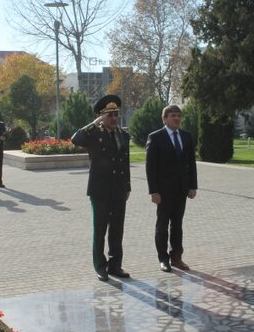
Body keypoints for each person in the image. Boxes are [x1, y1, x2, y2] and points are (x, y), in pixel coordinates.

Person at [71, 94, 131, 281]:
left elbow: (125, 162)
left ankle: (115, 265)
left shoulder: (123, 135)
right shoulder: (93, 134)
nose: (114, 118)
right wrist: (94, 122)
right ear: (102, 117)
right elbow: (75, 139)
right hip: (100, 190)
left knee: (117, 230)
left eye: (115, 115)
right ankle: (100, 266)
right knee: (100, 230)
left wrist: (127, 186)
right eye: (109, 115)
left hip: (119, 189)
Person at [145, 104, 198, 272]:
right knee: (162, 225)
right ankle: (163, 259)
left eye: (178, 116)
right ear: (165, 118)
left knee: (177, 225)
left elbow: (191, 163)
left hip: (181, 189)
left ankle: (177, 257)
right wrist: (153, 191)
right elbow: (150, 166)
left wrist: (192, 186)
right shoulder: (155, 137)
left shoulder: (186, 136)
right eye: (173, 115)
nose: (176, 118)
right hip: (163, 191)